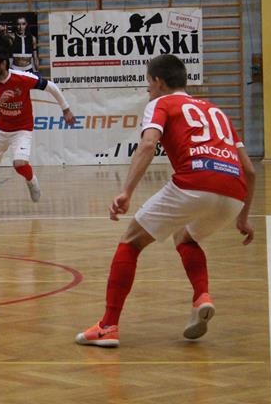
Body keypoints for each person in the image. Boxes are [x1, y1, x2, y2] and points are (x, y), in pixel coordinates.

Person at [75, 54, 255, 347]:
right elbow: (249, 169)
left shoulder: (161, 103)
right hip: (234, 191)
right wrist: (243, 217)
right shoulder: (216, 111)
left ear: (158, 82)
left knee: (131, 241)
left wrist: (126, 191)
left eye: (148, 82)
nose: (148, 89)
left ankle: (108, 326)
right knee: (185, 237)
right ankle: (201, 297)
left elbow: (148, 144)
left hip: (195, 181)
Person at [0, 42, 76, 213]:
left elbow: (51, 86)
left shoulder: (22, 78)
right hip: (0, 129)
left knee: (19, 164)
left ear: (3, 63)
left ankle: (31, 180)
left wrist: (66, 109)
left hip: (22, 128)